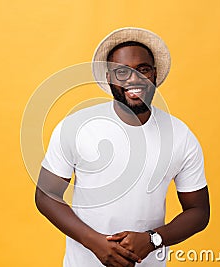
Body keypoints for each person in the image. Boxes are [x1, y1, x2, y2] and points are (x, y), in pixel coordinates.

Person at [35, 27, 210, 267]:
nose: (133, 79)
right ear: (108, 78)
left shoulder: (180, 135)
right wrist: (94, 242)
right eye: (121, 72)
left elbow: (198, 211)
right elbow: (46, 195)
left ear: (155, 74)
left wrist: (152, 240)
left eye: (143, 69)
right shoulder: (76, 127)